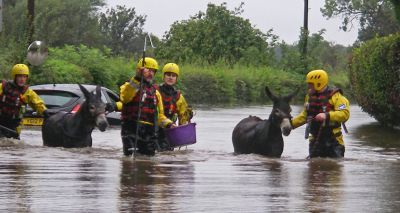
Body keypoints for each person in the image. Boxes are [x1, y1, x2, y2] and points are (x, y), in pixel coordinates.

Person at [119, 57, 174, 156]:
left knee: (148, 162)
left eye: (153, 71)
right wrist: (137, 78)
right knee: (130, 161)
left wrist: (169, 124)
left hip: (149, 131)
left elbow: (160, 116)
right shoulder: (129, 86)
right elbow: (125, 98)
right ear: (140, 70)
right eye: (148, 70)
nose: (151, 73)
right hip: (131, 129)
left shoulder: (155, 93)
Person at [291, 69, 350, 158]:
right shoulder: (309, 96)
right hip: (315, 140)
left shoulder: (336, 96)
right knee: (313, 169)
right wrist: (290, 124)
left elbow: (345, 114)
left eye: (310, 84)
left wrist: (327, 115)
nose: (309, 86)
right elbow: (305, 116)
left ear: (319, 83)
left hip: (334, 141)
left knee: (334, 169)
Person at [0, 64, 48, 139]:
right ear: (15, 77)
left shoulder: (27, 92)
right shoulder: (3, 87)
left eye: (24, 77)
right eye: (20, 76)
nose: (22, 79)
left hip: (14, 125)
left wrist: (44, 111)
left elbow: (37, 103)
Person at [157, 63, 193, 150]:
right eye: (168, 75)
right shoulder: (155, 91)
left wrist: (188, 115)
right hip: (154, 129)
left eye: (173, 76)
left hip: (169, 131)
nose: (170, 77)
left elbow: (183, 118)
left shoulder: (178, 96)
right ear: (163, 76)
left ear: (176, 79)